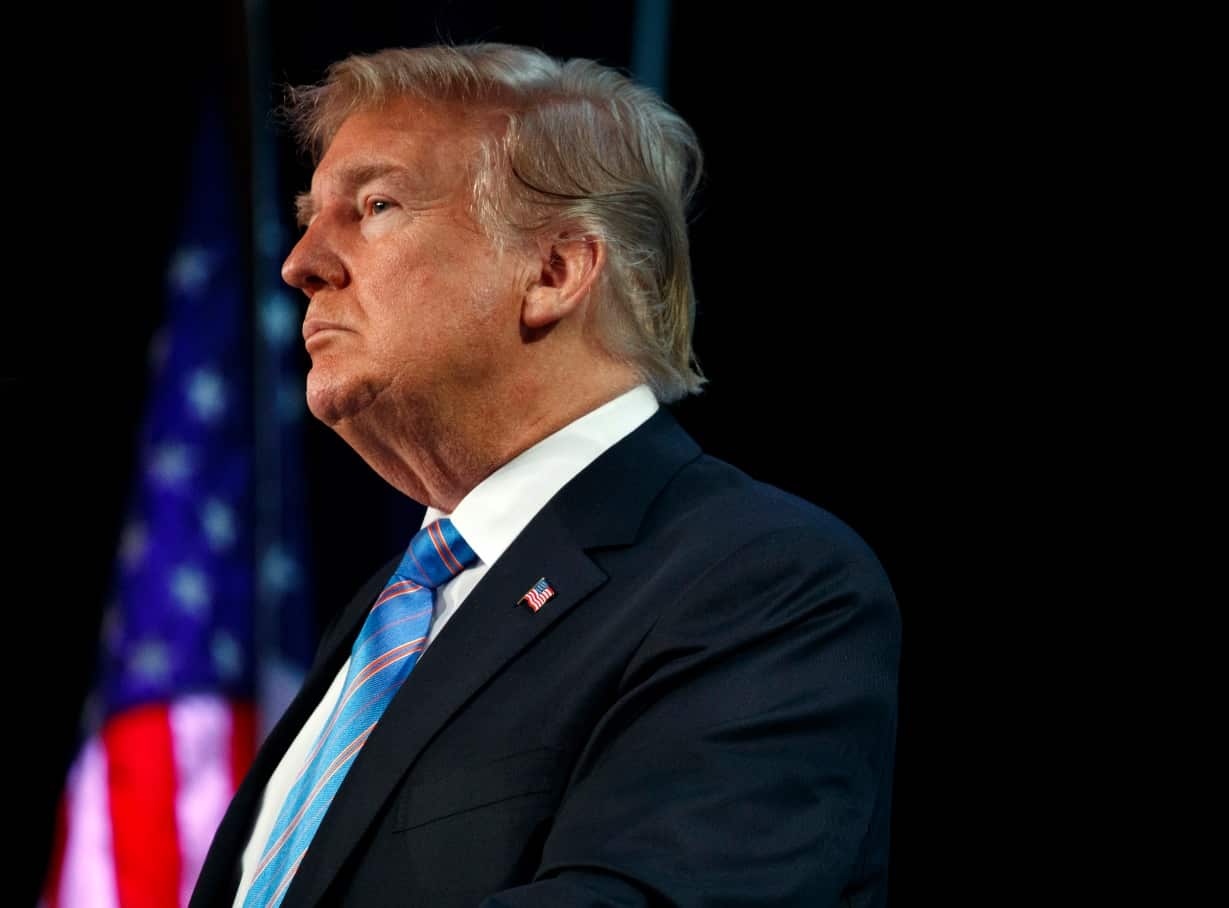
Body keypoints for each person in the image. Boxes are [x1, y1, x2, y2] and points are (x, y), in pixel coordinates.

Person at [191, 42, 901, 908]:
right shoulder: (397, 605)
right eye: (309, 214)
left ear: (554, 271)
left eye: (374, 205)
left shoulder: (760, 579)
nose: (300, 262)